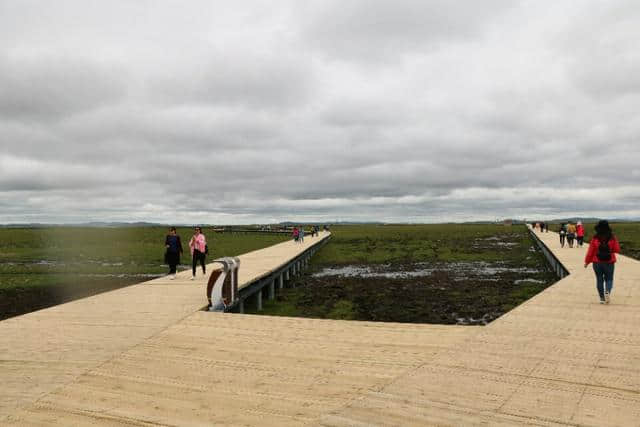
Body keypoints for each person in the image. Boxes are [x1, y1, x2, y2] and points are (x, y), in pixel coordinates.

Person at [584, 220, 620, 304]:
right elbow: (617, 249)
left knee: (599, 279)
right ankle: (607, 291)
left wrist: (587, 262)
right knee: (609, 278)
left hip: (597, 262)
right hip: (609, 262)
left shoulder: (595, 238)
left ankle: (602, 298)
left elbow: (591, 251)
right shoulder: (612, 237)